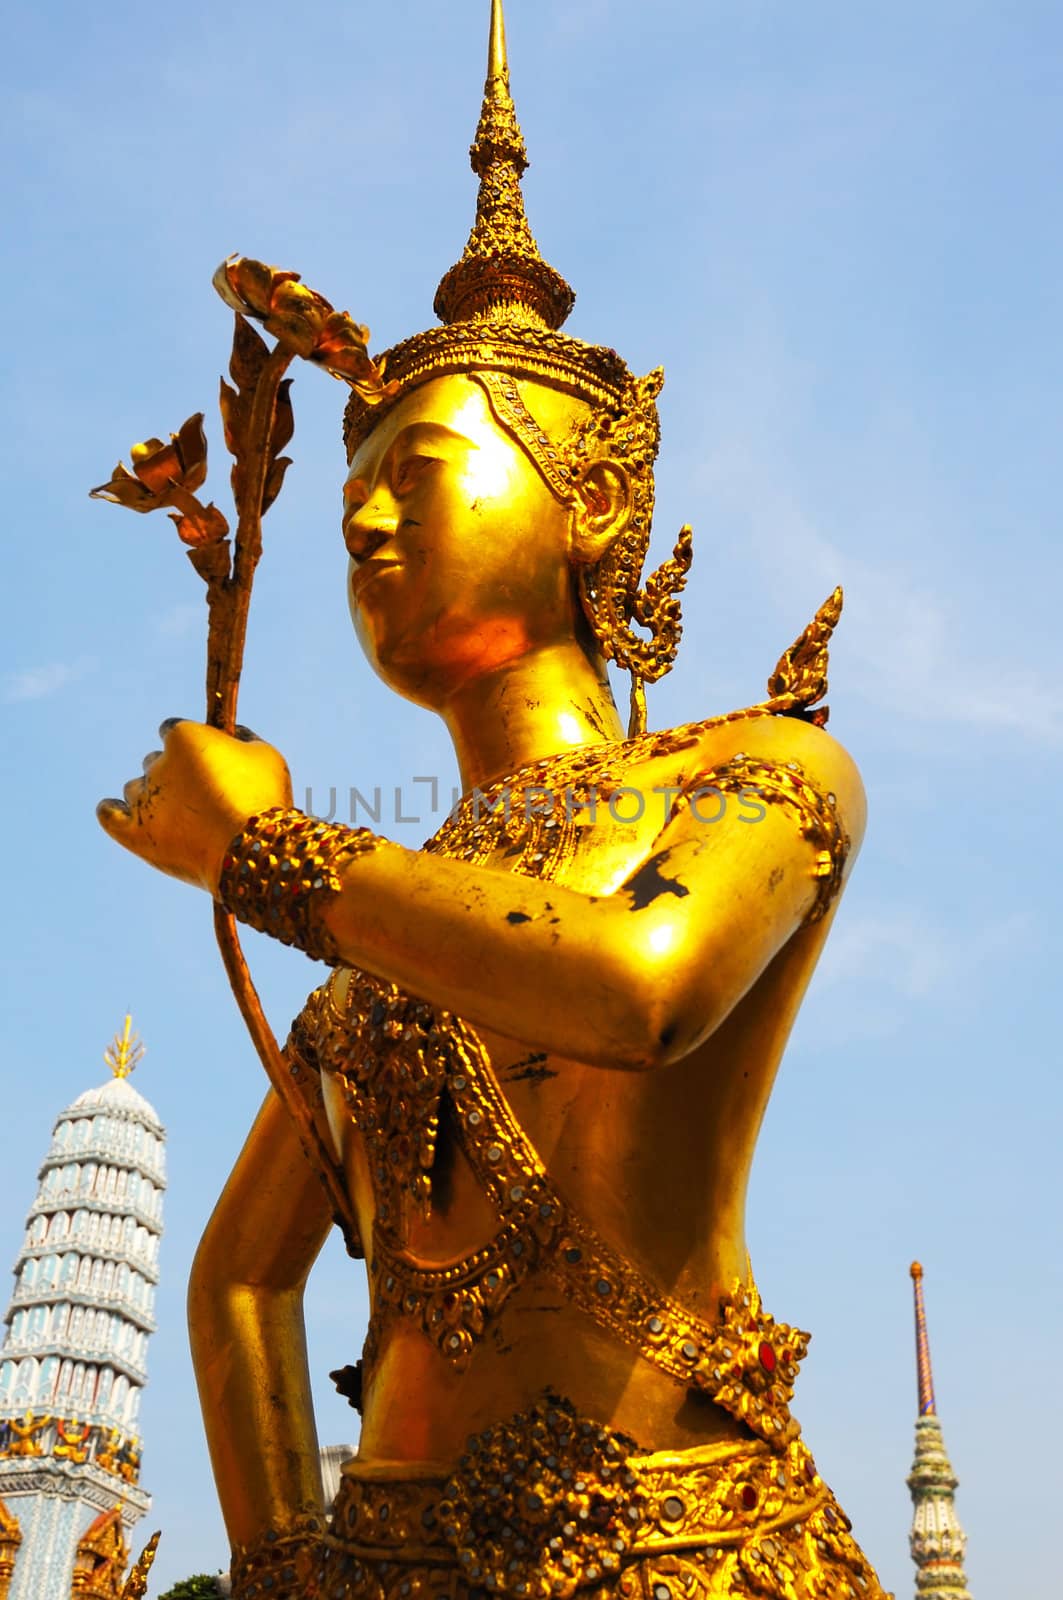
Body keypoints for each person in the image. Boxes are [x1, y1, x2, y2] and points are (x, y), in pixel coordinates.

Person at [98, 6, 888, 1598]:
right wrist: (283, 1565)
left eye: (422, 472)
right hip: (387, 1554)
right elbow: (242, 1284)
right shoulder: (398, 922)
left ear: (586, 502)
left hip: (682, 1539)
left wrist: (268, 848)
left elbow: (639, 990)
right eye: (346, 499)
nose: (368, 526)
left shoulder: (754, 777)